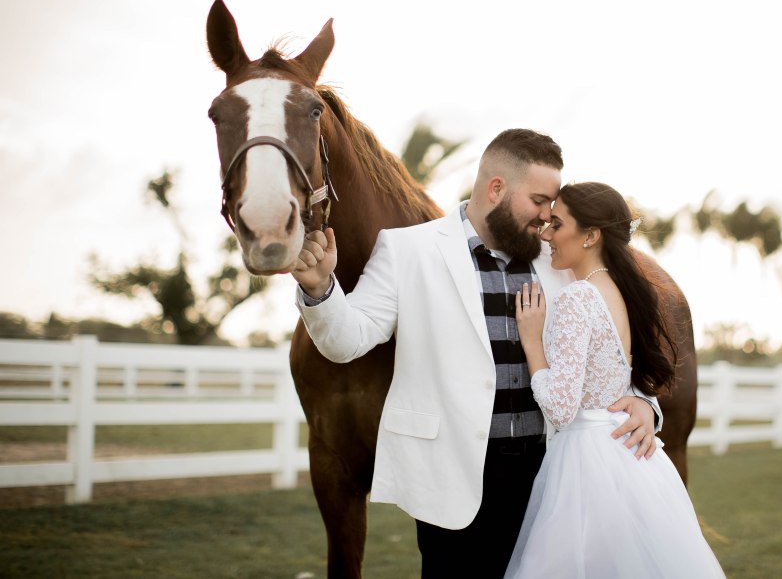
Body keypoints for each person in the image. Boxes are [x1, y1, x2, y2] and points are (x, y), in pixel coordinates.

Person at [291, 130, 664, 578]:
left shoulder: (559, 257)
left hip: (550, 477)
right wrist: (320, 289)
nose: (548, 216)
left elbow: (609, 338)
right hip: (450, 479)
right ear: (497, 188)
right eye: (539, 200)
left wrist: (643, 402)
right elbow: (346, 340)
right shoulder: (409, 249)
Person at [505, 182, 726, 579]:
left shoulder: (577, 298)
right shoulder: (622, 293)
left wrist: (532, 342)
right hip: (626, 455)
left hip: (585, 460)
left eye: (557, 224)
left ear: (591, 235)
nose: (547, 235)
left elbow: (560, 407)